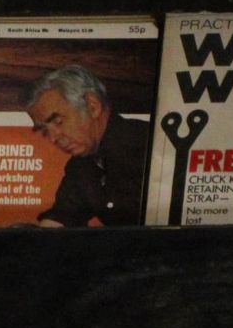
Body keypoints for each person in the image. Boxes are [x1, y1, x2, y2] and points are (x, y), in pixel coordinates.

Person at [25, 65, 149, 227]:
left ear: (93, 106)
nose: (53, 137)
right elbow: (61, 217)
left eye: (58, 122)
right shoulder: (81, 165)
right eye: (44, 131)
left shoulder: (146, 144)